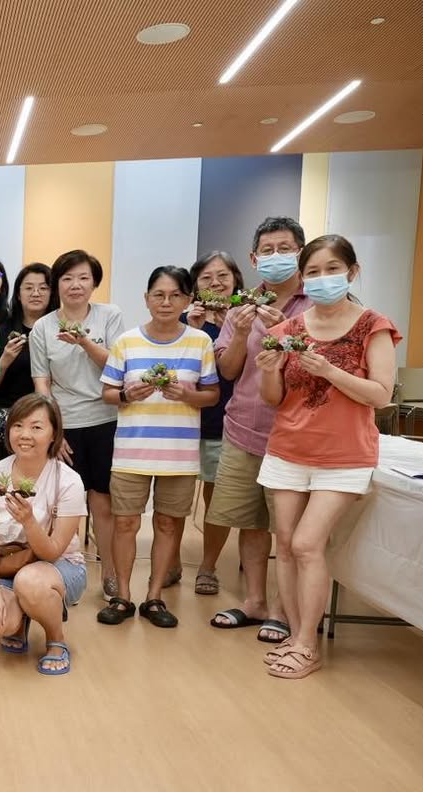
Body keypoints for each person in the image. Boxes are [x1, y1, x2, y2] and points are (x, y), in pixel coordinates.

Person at [256, 235, 398, 679]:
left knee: (307, 543)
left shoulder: (373, 326)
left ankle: (306, 642)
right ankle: (298, 636)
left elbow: (381, 395)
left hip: (346, 454)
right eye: (313, 272)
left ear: (352, 272)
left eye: (332, 269)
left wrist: (330, 370)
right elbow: (274, 399)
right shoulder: (288, 330)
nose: (322, 279)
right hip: (288, 449)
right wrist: (268, 372)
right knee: (285, 545)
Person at [205, 217, 312, 642]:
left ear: (301, 253)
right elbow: (228, 370)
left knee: (286, 531)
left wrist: (276, 331)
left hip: (294, 434)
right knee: (249, 522)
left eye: (284, 248)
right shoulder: (240, 309)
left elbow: (316, 366)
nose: (274, 257)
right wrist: (243, 331)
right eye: (266, 250)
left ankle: (285, 610)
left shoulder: (314, 306)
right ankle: (254, 601)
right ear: (253, 258)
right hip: (243, 429)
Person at [97, 266, 220, 629]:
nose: (166, 303)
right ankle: (122, 596)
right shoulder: (126, 342)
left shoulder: (200, 342)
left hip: (179, 455)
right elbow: (107, 393)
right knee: (125, 523)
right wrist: (125, 394)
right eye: (158, 295)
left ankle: (154, 597)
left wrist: (188, 395)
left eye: (175, 296)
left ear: (187, 300)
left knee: (169, 524)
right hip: (131, 452)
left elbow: (212, 395)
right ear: (146, 298)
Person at [29, 249, 128, 600]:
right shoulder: (42, 326)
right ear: (57, 284)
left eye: (83, 278)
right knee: (59, 504)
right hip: (64, 425)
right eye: (68, 278)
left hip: (105, 420)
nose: (75, 285)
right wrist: (54, 430)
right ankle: (56, 572)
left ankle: (111, 575)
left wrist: (84, 341)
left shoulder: (109, 315)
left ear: (94, 283)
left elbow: (116, 367)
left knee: (102, 502)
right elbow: (42, 382)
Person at [0, 393, 87, 675]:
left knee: (30, 581)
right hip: (8, 567)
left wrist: (29, 522)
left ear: (53, 435)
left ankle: (55, 639)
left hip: (59, 567)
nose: (25, 435)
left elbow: (52, 551)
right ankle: (19, 620)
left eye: (37, 427)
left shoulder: (68, 481)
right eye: (18, 426)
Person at [180, 251, 242, 595]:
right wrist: (192, 328)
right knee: (176, 495)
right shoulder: (185, 319)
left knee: (215, 497)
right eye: (206, 277)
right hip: (183, 421)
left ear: (235, 281)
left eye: (222, 276)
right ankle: (170, 561)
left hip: (226, 421)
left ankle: (207, 566)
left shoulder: (246, 319)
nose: (215, 283)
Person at [0, 263, 58, 449]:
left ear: (52, 293)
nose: (35, 293)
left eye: (43, 288)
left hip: (50, 415)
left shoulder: (61, 331)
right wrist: (4, 360)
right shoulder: (1, 331)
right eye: (28, 288)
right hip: (8, 416)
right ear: (18, 294)